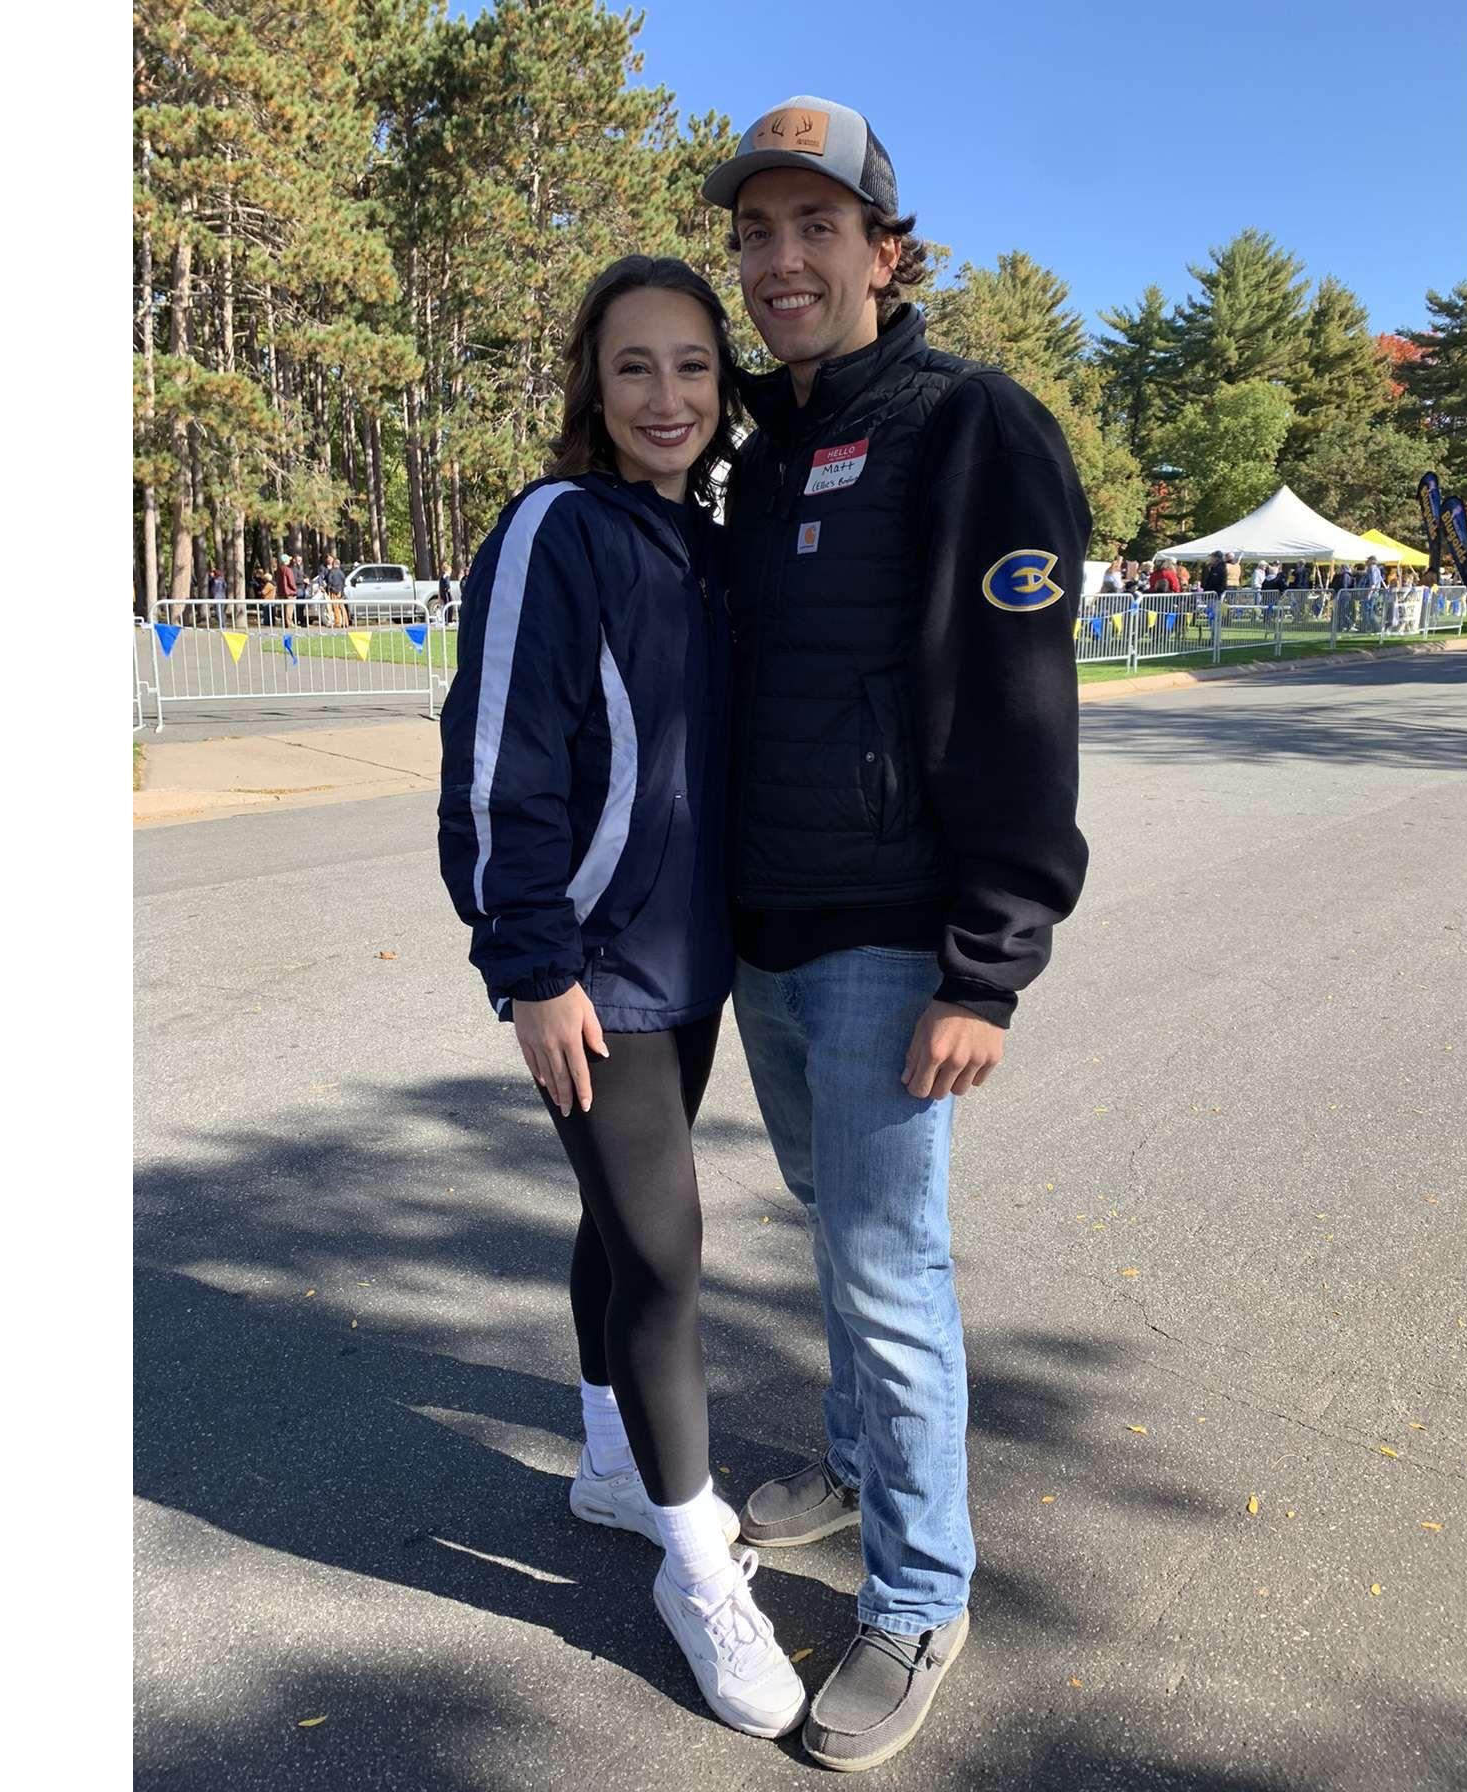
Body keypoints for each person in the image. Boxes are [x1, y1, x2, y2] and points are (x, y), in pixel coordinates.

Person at [704, 97, 1089, 1771]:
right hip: (766, 927)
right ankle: (860, 1462)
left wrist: (986, 964)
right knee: (833, 1225)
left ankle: (922, 1590)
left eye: (816, 227)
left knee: (886, 1258)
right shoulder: (765, 449)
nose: (781, 260)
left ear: (884, 248)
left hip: (890, 933)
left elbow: (1023, 702)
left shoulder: (969, 423)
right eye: (756, 234)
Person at [437, 255, 809, 1742]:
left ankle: (607, 1459)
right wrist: (530, 964)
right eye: (635, 365)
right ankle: (695, 1566)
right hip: (588, 970)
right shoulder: (557, 525)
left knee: (618, 1223)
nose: (668, 396)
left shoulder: (701, 542)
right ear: (592, 385)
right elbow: (498, 755)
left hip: (690, 961)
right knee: (666, 1253)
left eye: (694, 366)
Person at [324, 553, 349, 628]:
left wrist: (328, 588)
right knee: (342, 606)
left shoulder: (332, 572)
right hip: (340, 591)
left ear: (334, 564)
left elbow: (329, 581)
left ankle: (338, 622)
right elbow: (343, 582)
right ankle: (345, 622)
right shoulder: (341, 573)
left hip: (334, 591)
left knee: (335, 607)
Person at [276, 552, 299, 629]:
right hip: (289, 592)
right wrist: (295, 589)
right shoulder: (288, 570)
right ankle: (289, 623)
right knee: (289, 609)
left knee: (284, 608)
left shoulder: (279, 569)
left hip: (282, 592)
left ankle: (285, 623)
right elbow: (291, 581)